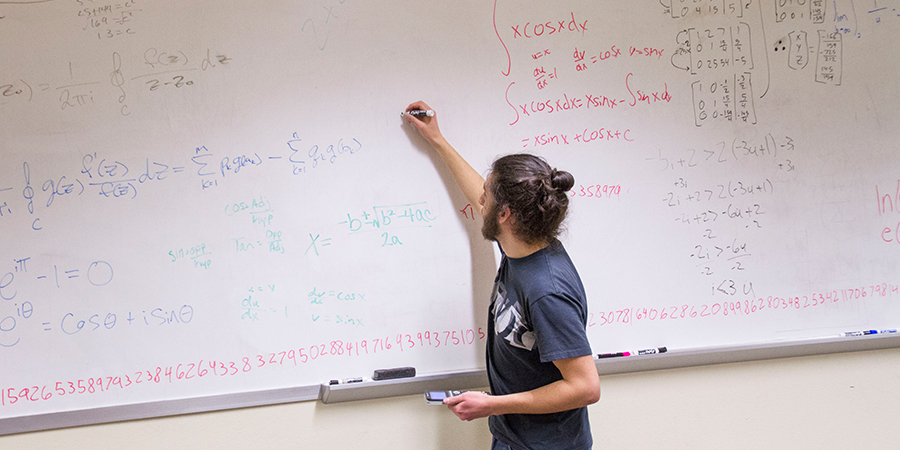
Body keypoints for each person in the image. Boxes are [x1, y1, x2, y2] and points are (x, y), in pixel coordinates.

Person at [405, 101, 601, 450]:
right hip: (514, 439)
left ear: (506, 214)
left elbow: (585, 387)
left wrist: (493, 404)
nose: (481, 200)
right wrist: (438, 140)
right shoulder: (522, 242)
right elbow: (481, 195)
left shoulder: (546, 290)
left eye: (488, 197)